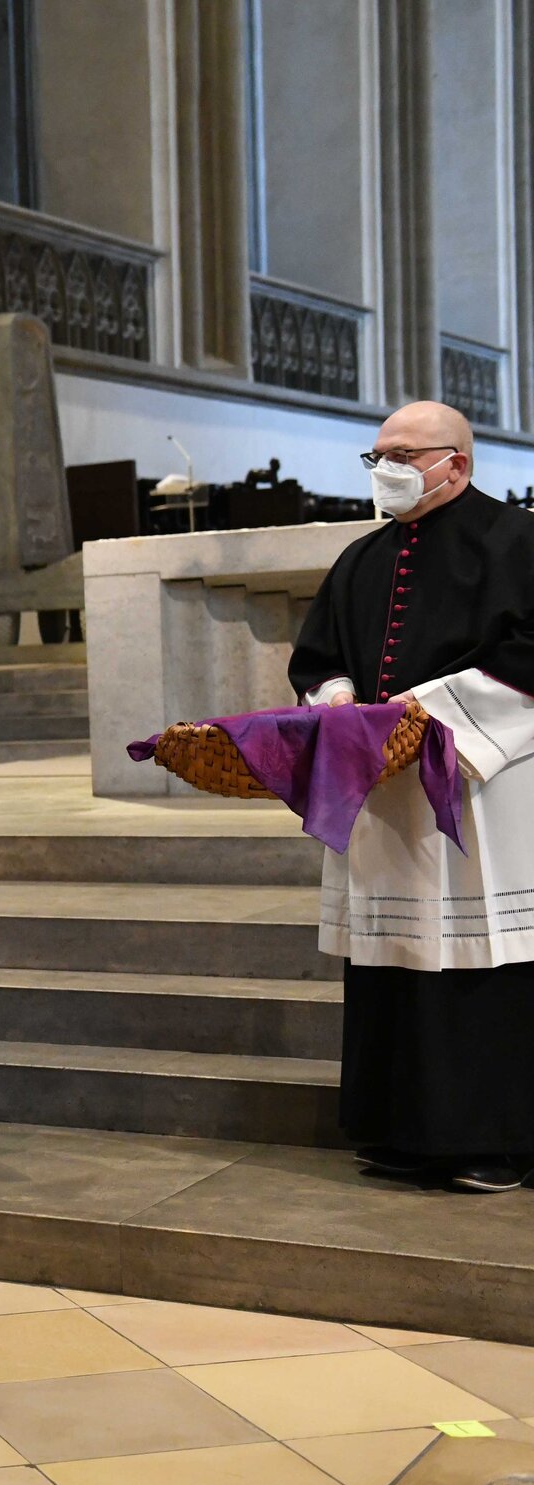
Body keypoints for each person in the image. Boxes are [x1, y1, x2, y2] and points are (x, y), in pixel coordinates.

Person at [288, 399, 534, 1192]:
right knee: (391, 961)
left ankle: (491, 1141)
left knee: (478, 964)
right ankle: (400, 1129)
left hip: (482, 787)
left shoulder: (519, 541)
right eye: (377, 456)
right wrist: (336, 703)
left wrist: (428, 718)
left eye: (401, 454)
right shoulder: (361, 557)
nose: (384, 470)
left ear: (455, 463)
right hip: (385, 795)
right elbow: (318, 655)